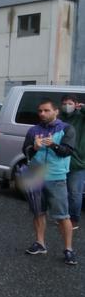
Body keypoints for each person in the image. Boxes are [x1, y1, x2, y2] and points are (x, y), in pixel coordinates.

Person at [22, 99, 77, 265]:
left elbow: (67, 152)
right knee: (38, 212)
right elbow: (25, 152)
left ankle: (68, 249)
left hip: (56, 177)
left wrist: (53, 144)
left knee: (62, 216)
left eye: (46, 110)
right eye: (40, 111)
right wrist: (35, 148)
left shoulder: (67, 129)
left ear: (56, 111)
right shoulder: (33, 130)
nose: (42, 114)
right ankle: (40, 243)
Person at [58, 95, 84, 230]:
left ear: (76, 104)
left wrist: (83, 109)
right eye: (64, 103)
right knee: (62, 191)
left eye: (70, 103)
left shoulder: (81, 117)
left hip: (77, 160)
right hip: (60, 159)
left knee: (75, 193)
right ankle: (63, 217)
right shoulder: (60, 118)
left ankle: (73, 219)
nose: (66, 106)